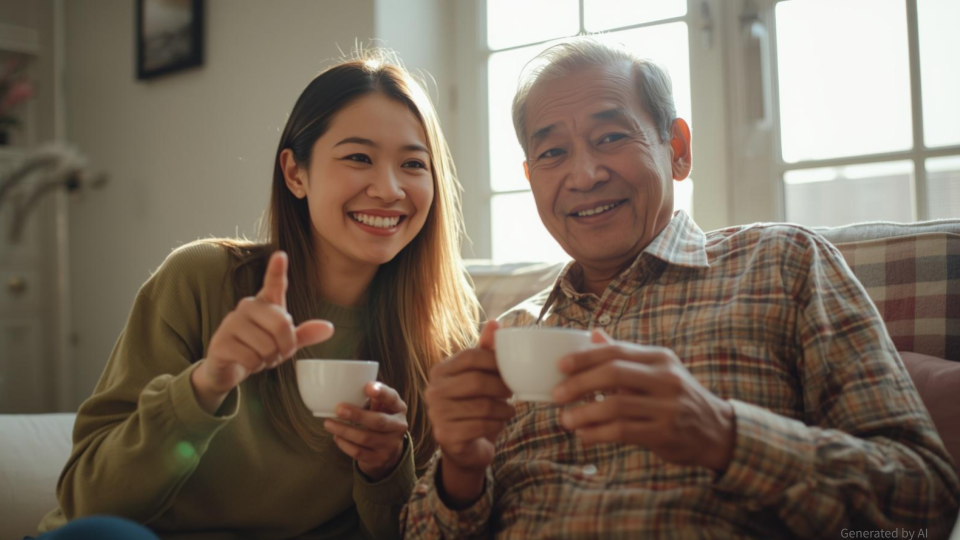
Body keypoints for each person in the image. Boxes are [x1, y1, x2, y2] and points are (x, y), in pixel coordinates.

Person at [401, 38, 960, 539]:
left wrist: (724, 435)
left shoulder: (783, 264)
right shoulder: (511, 336)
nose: (585, 173)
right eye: (552, 153)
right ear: (532, 178)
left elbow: (923, 507)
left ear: (678, 148)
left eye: (611, 136)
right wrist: (460, 471)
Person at [36, 50, 479, 540]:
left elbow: (415, 532)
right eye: (359, 157)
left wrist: (385, 468)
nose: (390, 189)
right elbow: (85, 502)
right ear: (295, 173)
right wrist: (206, 385)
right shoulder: (203, 280)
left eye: (414, 164)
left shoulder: (439, 339)